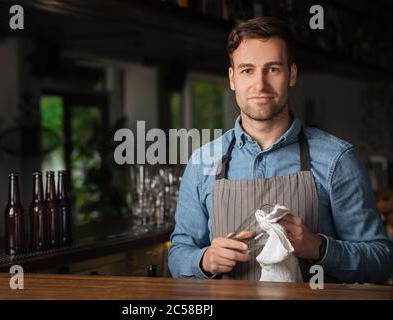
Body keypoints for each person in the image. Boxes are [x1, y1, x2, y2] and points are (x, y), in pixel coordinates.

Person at [168, 17, 392, 283]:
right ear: (232, 79)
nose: (260, 84)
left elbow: (381, 260)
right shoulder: (202, 162)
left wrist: (318, 248)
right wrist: (204, 260)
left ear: (292, 74)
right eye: (247, 70)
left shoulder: (336, 159)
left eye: (272, 69)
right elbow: (178, 254)